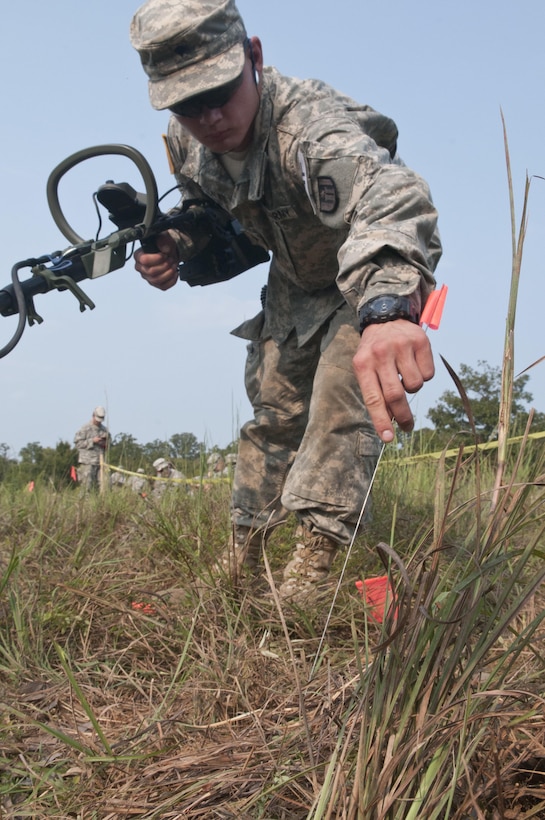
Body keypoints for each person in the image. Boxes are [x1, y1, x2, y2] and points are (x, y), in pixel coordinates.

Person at [130, 0, 442, 604]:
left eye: (220, 90)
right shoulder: (187, 144)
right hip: (294, 282)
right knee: (274, 414)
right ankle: (242, 559)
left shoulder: (312, 130)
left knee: (339, 400)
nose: (211, 115)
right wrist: (175, 243)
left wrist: (385, 312)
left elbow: (395, 196)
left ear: (254, 57)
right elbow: (220, 216)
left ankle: (310, 572)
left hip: (367, 270)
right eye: (188, 104)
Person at [73, 406, 110, 491]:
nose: (98, 422)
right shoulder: (85, 428)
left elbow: (109, 445)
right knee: (87, 487)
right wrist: (92, 441)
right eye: (97, 419)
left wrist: (105, 443)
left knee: (103, 486)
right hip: (87, 462)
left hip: (101, 462)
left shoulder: (104, 430)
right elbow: (78, 443)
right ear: (93, 415)